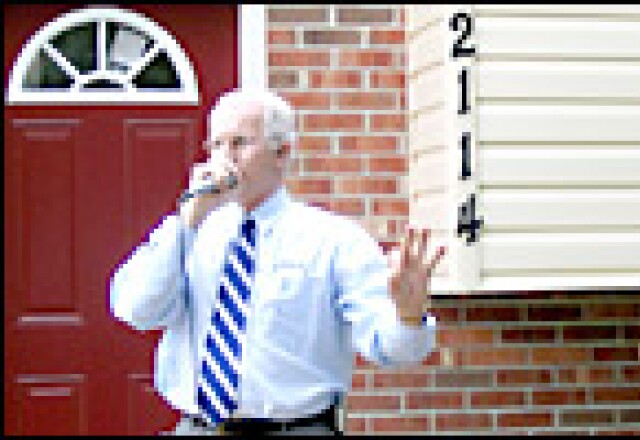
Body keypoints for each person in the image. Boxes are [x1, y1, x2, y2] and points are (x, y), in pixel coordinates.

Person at [109, 88, 445, 435]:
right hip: (199, 428)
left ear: (282, 153)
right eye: (217, 146)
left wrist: (408, 315)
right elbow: (135, 310)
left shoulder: (332, 240)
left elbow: (393, 351)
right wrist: (185, 223)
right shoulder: (189, 235)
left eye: (239, 143)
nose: (225, 160)